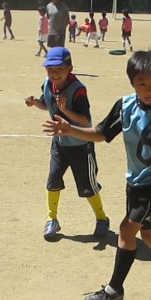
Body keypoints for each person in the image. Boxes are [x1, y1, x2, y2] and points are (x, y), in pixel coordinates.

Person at [43, 50, 151, 300]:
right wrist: (70, 129)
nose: (149, 89)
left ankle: (114, 290)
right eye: (142, 83)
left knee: (126, 230)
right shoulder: (125, 105)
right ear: (132, 82)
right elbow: (101, 134)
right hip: (135, 181)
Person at [25, 47, 111, 240]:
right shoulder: (48, 84)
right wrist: (35, 102)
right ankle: (52, 219)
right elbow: (46, 103)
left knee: (87, 185)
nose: (54, 73)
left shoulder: (77, 90)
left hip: (81, 145)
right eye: (50, 69)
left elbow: (84, 119)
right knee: (53, 180)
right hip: (59, 144)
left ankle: (101, 218)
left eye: (59, 69)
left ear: (69, 68)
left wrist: (65, 110)